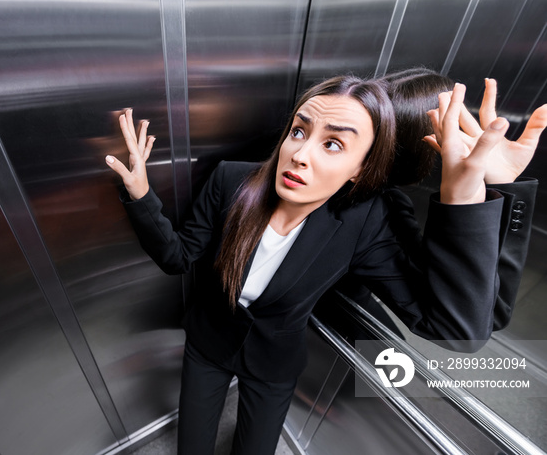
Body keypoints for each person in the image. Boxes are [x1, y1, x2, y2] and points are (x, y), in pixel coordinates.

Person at [104, 75, 525, 455]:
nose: (300, 155)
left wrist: (468, 195)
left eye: (333, 143)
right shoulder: (232, 180)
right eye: (299, 131)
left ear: (361, 169)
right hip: (206, 347)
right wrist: (141, 194)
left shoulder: (364, 223)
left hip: (275, 365)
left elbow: (455, 330)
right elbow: (177, 257)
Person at [321, 68, 546, 335]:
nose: (467, 144)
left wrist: (502, 186)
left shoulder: (377, 207)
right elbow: (466, 324)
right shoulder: (374, 212)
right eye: (451, 131)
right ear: (425, 151)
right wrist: (464, 203)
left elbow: (486, 315)